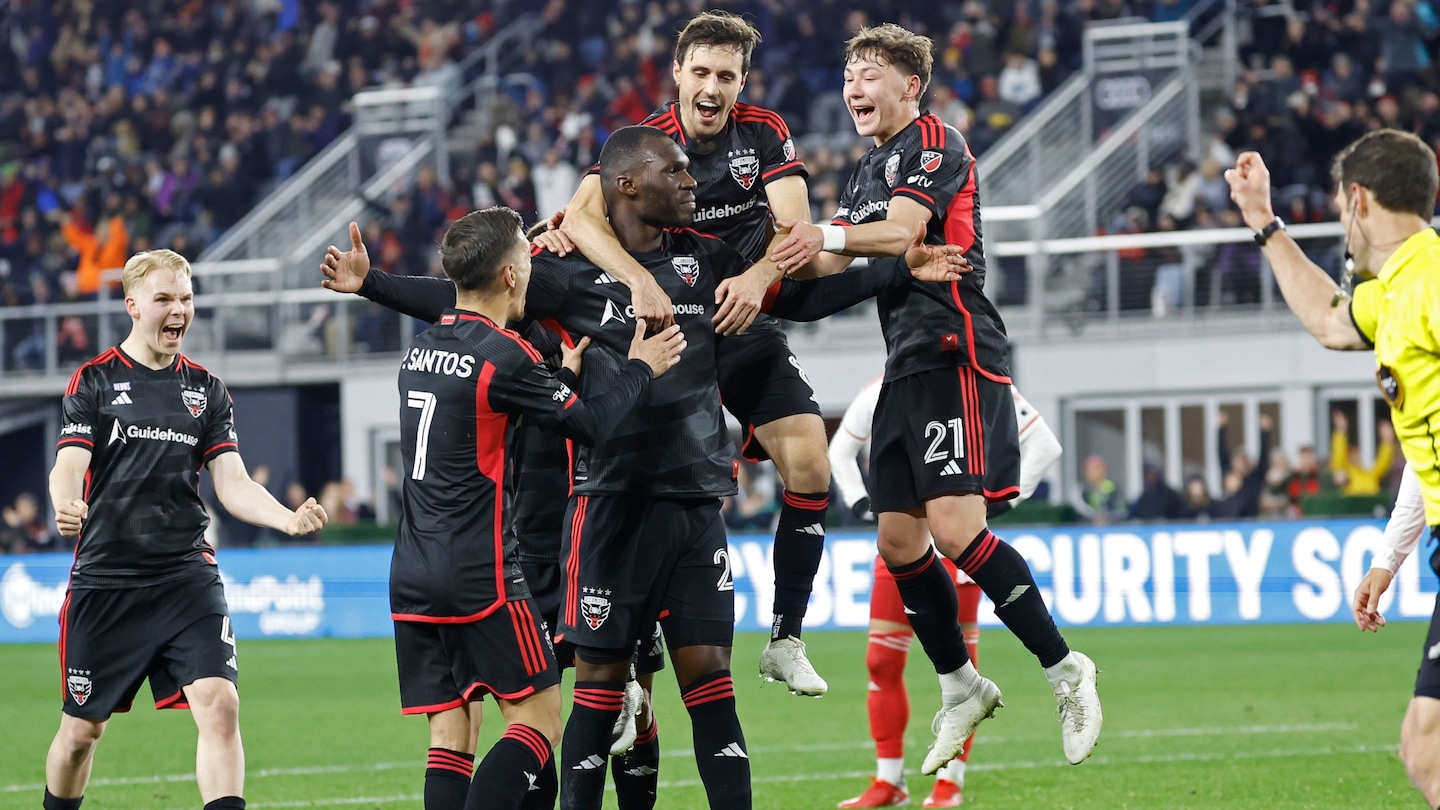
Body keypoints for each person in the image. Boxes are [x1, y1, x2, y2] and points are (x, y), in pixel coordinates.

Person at [321, 126, 967, 810]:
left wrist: (899, 269)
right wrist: (373, 287)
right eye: (678, 171)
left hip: (694, 508)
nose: (693, 183)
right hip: (607, 508)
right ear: (627, 185)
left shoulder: (710, 261)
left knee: (712, 690)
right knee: (597, 698)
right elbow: (464, 298)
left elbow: (798, 302)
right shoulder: (567, 273)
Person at [766, 23, 1103, 771]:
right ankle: (960, 685)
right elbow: (839, 263)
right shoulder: (865, 170)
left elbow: (900, 232)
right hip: (904, 362)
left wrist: (835, 239)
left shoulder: (934, 141)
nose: (853, 85)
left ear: (909, 84)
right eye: (849, 73)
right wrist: (767, 275)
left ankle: (1064, 669)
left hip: (956, 347)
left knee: (953, 529)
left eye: (870, 72)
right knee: (897, 540)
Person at [539, 10, 837, 696]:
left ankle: (786, 638)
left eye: (725, 75)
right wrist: (640, 279)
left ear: (741, 82)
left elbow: (798, 230)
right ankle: (632, 657)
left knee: (811, 465)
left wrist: (761, 276)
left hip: (739, 321)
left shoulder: (763, 132)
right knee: (653, 487)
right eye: (700, 71)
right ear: (676, 73)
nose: (712, 86)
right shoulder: (645, 143)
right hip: (669, 334)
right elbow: (580, 216)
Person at [387, 206, 684, 810]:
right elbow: (593, 424)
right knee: (541, 722)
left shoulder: (421, 348)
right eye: (527, 255)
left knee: (451, 734)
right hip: (482, 572)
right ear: (509, 276)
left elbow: (487, 414)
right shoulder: (507, 355)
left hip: (410, 568)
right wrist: (639, 369)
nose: (534, 261)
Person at [44, 249, 329, 810]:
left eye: (186, 298)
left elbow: (233, 482)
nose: (179, 310)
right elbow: (68, 464)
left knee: (221, 705)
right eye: (164, 299)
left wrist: (286, 518)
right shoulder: (95, 381)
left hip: (185, 576)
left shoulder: (207, 390)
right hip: (108, 579)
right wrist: (63, 502)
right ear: (132, 306)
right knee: (81, 734)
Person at [1226, 128, 1440, 806]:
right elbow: (1327, 317)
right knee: (1424, 747)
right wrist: (1263, 221)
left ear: (1357, 200)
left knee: (1429, 748)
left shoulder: (1431, 285)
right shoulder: (1396, 291)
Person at [828, 381, 1062, 808]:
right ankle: (890, 781)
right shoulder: (885, 386)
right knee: (880, 660)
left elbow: (1045, 445)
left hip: (960, 545)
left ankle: (951, 782)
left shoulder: (980, 381)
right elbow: (839, 449)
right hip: (902, 543)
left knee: (962, 668)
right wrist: (862, 502)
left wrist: (999, 503)